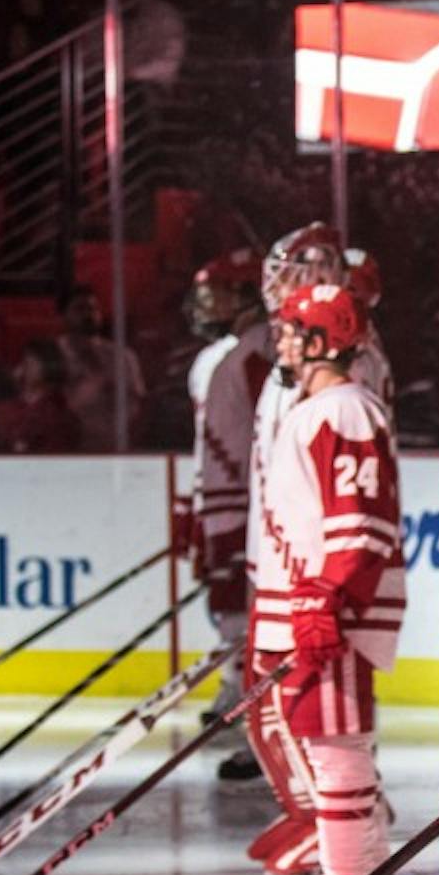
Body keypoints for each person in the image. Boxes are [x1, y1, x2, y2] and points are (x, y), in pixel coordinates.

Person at [254, 283, 405, 875]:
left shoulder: (345, 411)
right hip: (313, 599)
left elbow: (360, 520)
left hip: (331, 603)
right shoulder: (318, 408)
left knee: (334, 738)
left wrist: (328, 595)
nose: (282, 341)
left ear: (322, 339)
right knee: (323, 737)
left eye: (293, 329)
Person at [229, 222, 349, 875]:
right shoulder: (289, 359)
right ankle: (311, 812)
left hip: (307, 567)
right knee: (265, 698)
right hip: (276, 558)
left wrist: (322, 575)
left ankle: (333, 821)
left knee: (308, 704)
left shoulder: (341, 358)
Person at [180, 247, 264, 722]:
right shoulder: (225, 356)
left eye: (220, 294)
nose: (207, 305)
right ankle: (237, 681)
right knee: (227, 598)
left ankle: (240, 684)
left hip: (243, 499)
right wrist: (195, 502)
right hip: (224, 497)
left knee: (240, 598)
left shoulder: (257, 351)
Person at [55, 288, 146, 452]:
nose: (88, 315)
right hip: (68, 448)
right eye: (80, 309)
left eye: (93, 308)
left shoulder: (122, 356)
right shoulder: (51, 355)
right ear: (63, 315)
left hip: (113, 446)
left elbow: (137, 401)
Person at [0, 338, 83, 454]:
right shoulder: (3, 409)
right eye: (25, 361)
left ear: (49, 366)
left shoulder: (58, 415)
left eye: (34, 362)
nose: (26, 366)